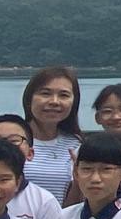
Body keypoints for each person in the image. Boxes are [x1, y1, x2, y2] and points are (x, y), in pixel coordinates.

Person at [22, 66, 84, 202]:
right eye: (45, 93)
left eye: (64, 95)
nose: (54, 101)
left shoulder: (75, 144)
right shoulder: (13, 140)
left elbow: (75, 204)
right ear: (29, 99)